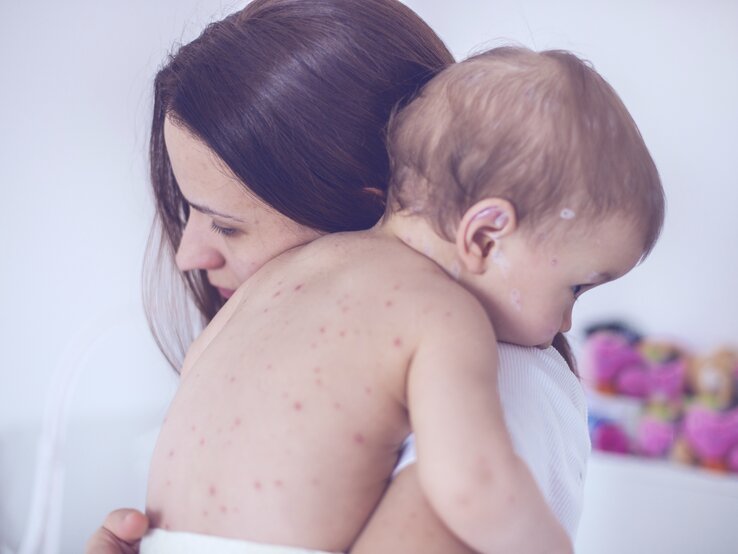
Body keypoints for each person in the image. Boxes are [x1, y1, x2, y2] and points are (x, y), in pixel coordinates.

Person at [84, 1, 636, 552]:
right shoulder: (431, 321)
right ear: (481, 233)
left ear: (357, 203)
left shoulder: (501, 381)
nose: (186, 255)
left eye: (227, 226)